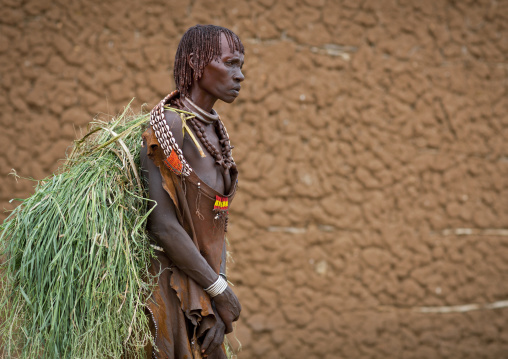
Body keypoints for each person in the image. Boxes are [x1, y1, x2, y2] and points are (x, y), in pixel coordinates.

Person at [140, 25, 245, 359]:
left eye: (241, 65)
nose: (239, 75)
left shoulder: (214, 130)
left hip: (203, 288)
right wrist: (218, 289)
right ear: (196, 61)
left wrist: (215, 292)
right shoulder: (168, 126)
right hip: (170, 287)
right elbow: (163, 226)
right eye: (230, 63)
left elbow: (216, 224)